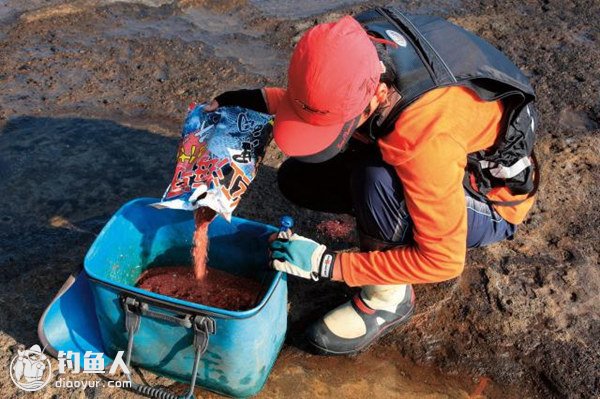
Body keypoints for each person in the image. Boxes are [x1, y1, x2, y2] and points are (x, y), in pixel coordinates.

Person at [205, 7, 538, 355]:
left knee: (374, 181)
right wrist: (245, 100)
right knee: (299, 178)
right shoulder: (354, 43)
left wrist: (328, 264)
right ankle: (382, 225)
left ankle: (387, 297)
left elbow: (443, 261)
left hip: (488, 199)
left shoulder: (424, 138)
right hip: (426, 150)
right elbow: (318, 98)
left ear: (377, 93)